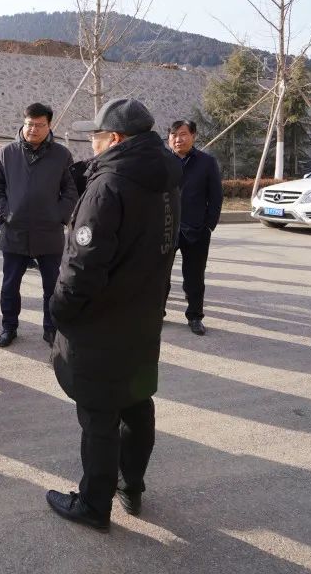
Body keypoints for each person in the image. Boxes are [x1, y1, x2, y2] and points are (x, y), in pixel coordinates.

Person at [46, 98, 181, 532]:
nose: (92, 143)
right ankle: (131, 485)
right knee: (137, 403)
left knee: (99, 414)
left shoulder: (110, 185)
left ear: (116, 139)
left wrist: (60, 310)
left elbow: (83, 264)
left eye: (97, 135)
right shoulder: (166, 178)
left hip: (101, 322)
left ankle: (93, 503)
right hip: (143, 316)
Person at [0, 102, 78, 347]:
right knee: (9, 286)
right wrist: (5, 214)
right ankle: (9, 327)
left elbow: (71, 190)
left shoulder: (61, 155)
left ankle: (51, 329)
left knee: (52, 286)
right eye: (29, 124)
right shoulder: (6, 153)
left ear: (49, 126)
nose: (33, 129)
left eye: (39, 125)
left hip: (49, 233)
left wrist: (58, 215)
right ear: (23, 123)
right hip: (14, 231)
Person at [167, 120, 223, 335]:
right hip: (166, 229)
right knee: (160, 275)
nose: (177, 139)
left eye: (182, 134)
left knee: (194, 277)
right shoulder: (161, 161)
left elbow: (216, 196)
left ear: (193, 136)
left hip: (196, 229)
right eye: (173, 135)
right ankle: (157, 312)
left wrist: (208, 226)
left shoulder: (206, 162)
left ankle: (195, 316)